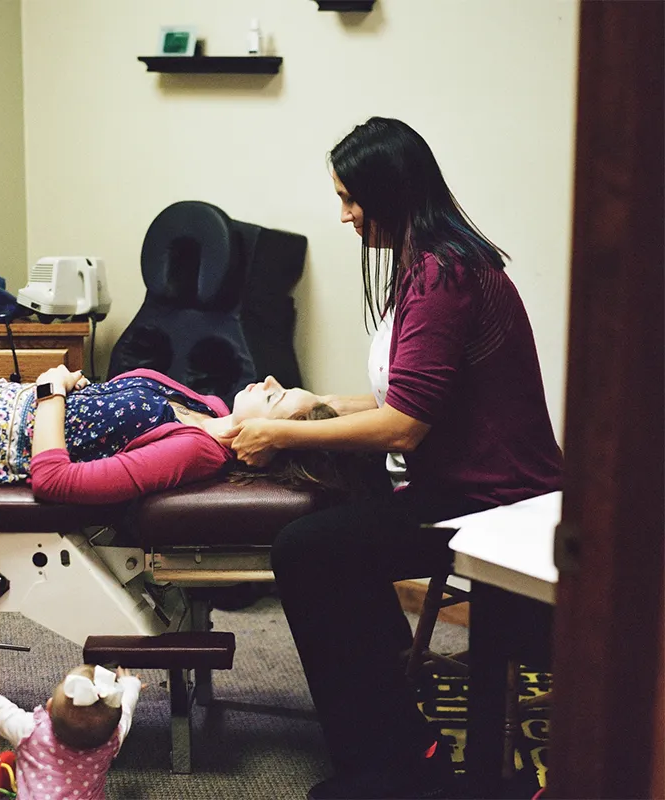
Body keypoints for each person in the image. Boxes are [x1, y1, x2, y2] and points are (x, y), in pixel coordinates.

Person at [224, 117, 564, 799]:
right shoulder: (432, 264)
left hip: (495, 498)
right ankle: (392, 736)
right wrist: (316, 401)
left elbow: (405, 426)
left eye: (352, 198)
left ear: (390, 193)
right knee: (333, 535)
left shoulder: (445, 275)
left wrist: (279, 435)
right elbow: (408, 396)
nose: (345, 215)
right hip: (465, 483)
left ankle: (389, 764)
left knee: (307, 548)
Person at [0, 365, 350, 504]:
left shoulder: (195, 451)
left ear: (267, 444)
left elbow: (55, 481)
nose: (267, 380)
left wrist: (50, 390)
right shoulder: (211, 409)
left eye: (275, 396)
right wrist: (74, 384)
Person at [0, 664, 143, 799]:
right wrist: (130, 684)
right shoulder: (112, 741)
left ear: (49, 708)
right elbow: (127, 710)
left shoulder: (30, 731)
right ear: (116, 730)